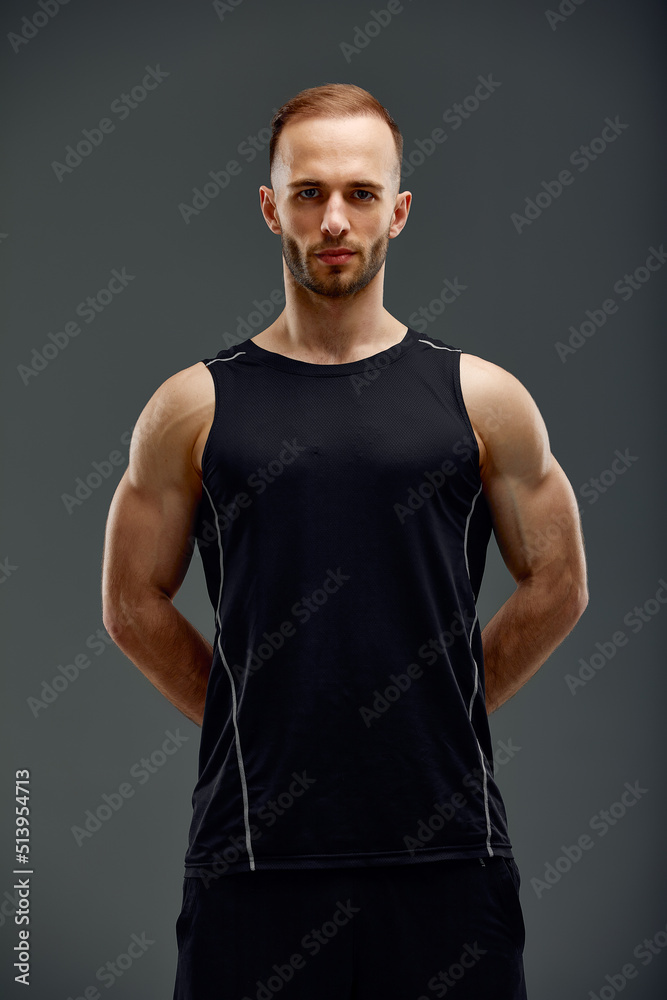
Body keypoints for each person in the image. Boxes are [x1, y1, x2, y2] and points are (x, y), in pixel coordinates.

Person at [101, 83, 588, 1000]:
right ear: (269, 207)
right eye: (309, 192)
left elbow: (558, 583)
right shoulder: (193, 407)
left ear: (397, 213)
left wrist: (440, 703)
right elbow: (130, 605)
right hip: (253, 860)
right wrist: (255, 711)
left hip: (447, 855)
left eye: (361, 194)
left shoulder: (479, 399)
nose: (334, 219)